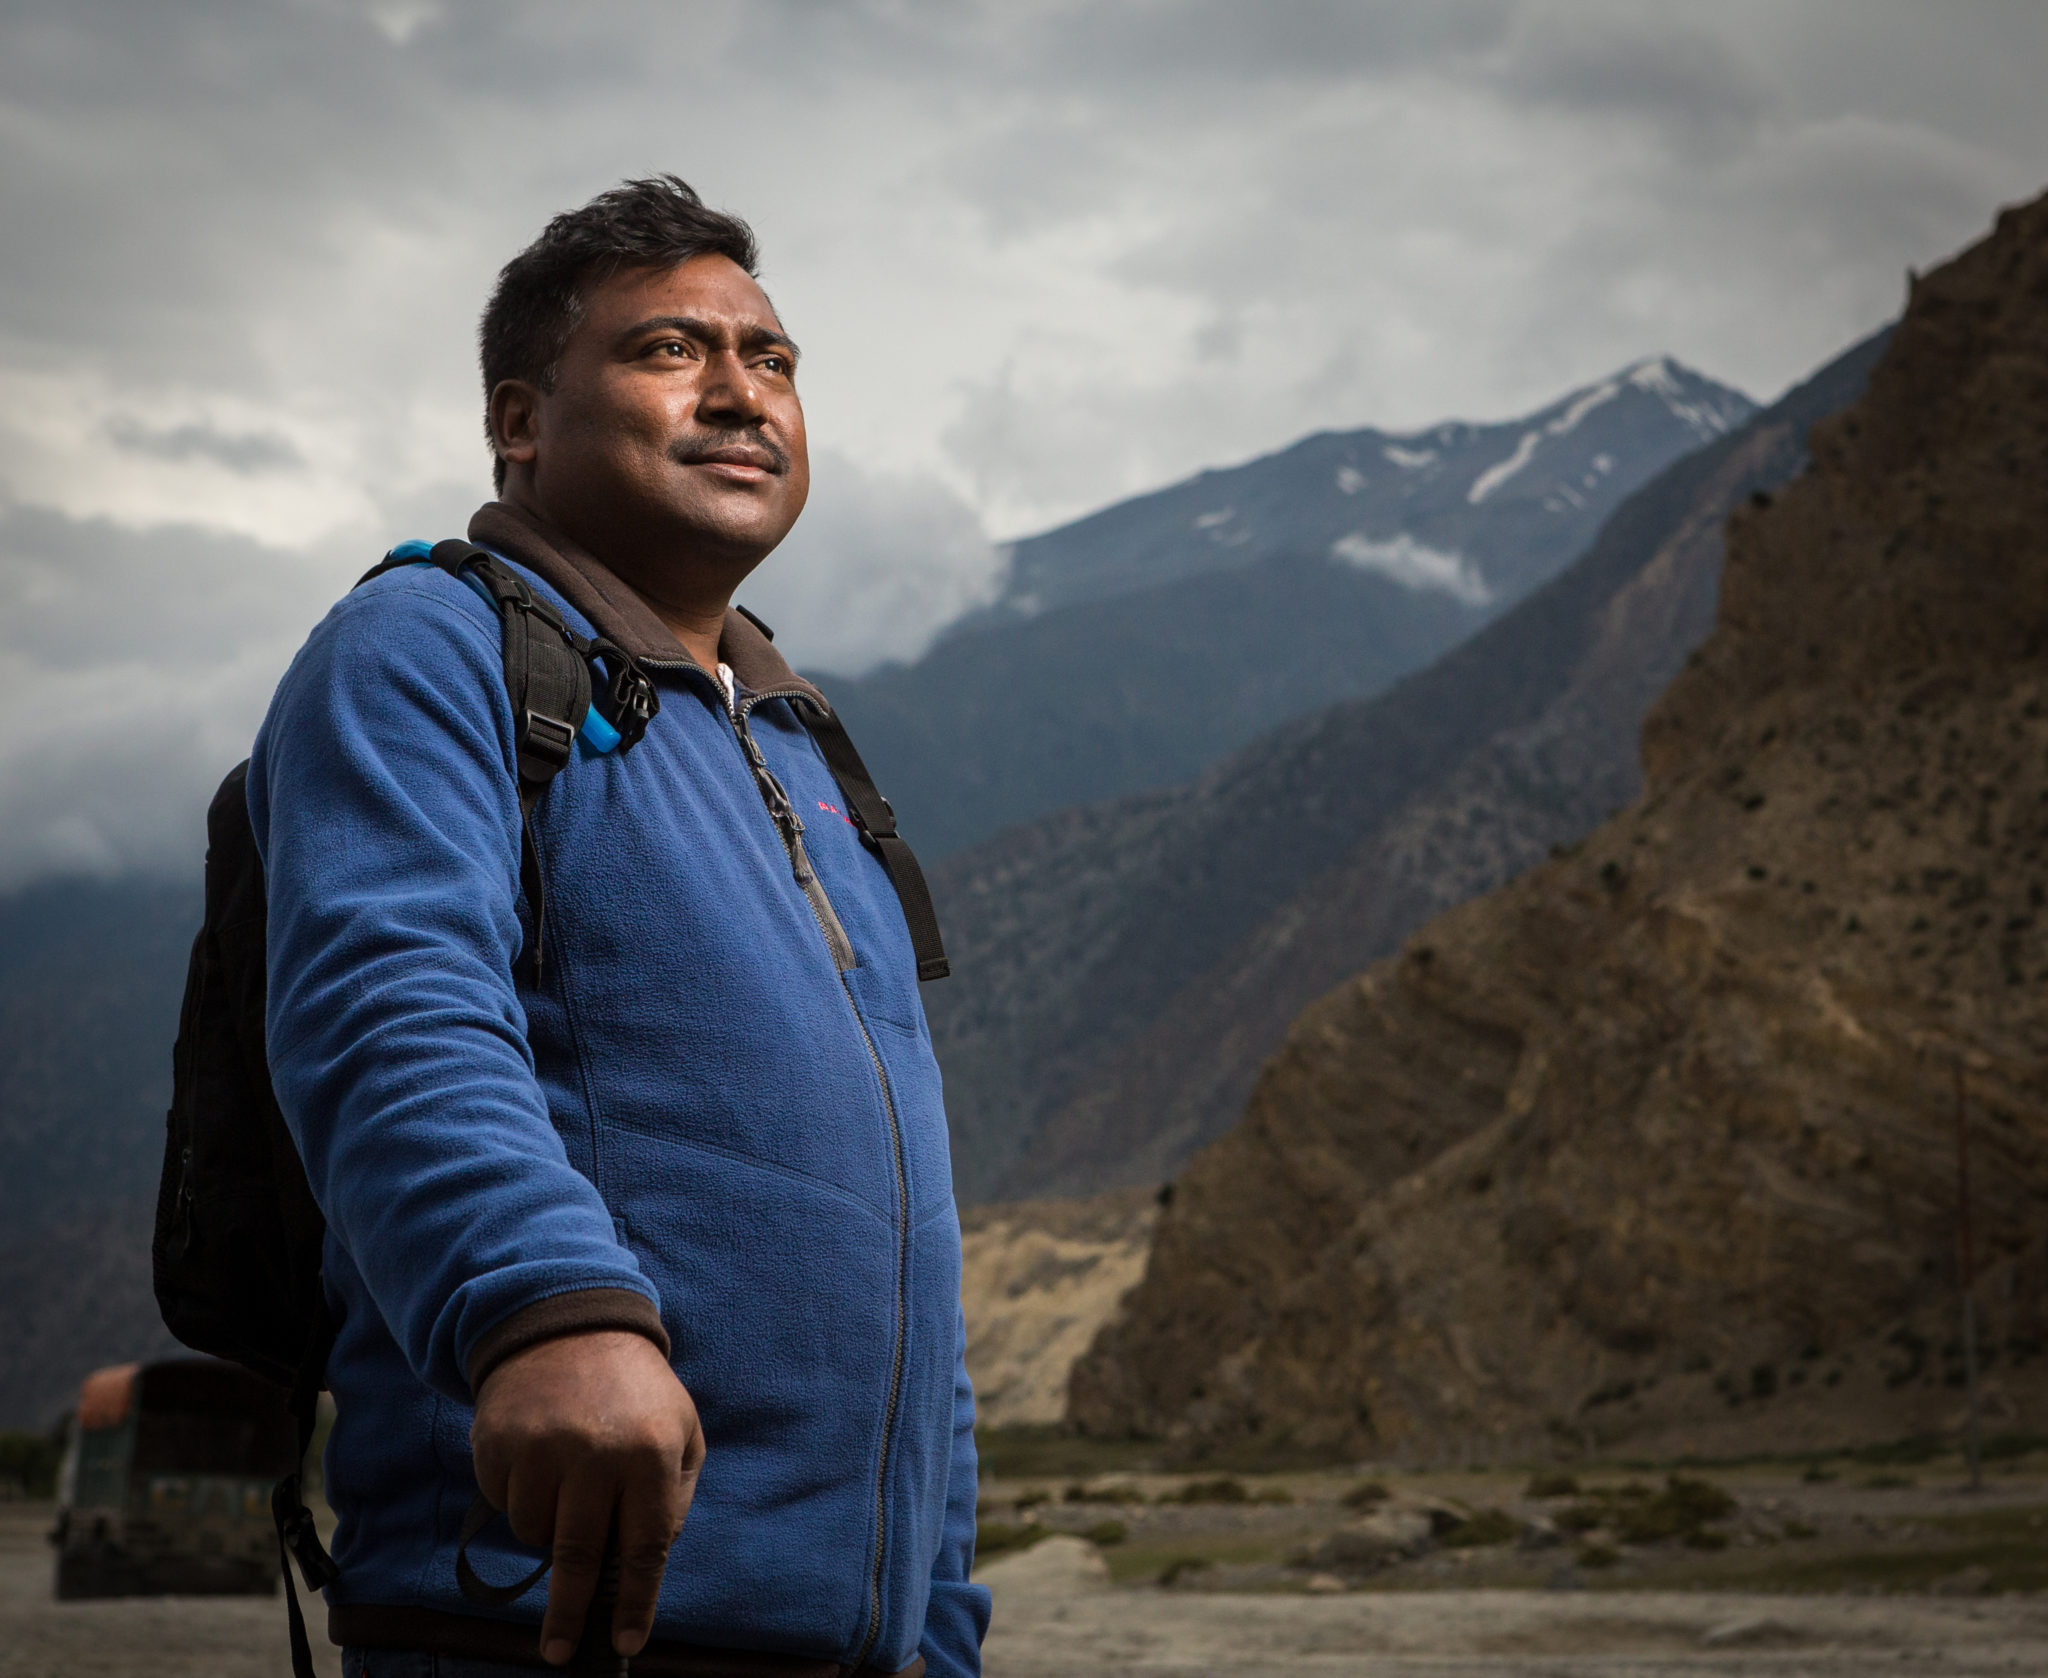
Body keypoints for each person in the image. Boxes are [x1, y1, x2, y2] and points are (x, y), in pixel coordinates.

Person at [248, 175, 987, 1677]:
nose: (740, 392)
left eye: (770, 359)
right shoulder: (431, 645)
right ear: (521, 421)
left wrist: (941, 1619)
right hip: (548, 1618)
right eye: (669, 350)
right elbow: (387, 996)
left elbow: (911, 1246)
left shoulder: (806, 749)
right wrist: (542, 1310)